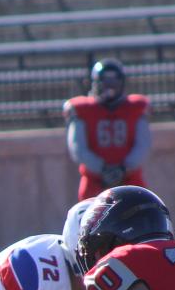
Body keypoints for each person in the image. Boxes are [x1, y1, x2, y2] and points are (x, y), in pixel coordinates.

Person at [64, 59, 151, 201]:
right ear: (95, 83)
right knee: (87, 219)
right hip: (94, 180)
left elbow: (143, 145)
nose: (110, 87)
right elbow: (78, 149)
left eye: (114, 82)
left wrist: (124, 168)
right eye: (105, 82)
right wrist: (102, 169)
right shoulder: (82, 110)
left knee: (141, 215)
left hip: (130, 178)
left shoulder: (135, 108)